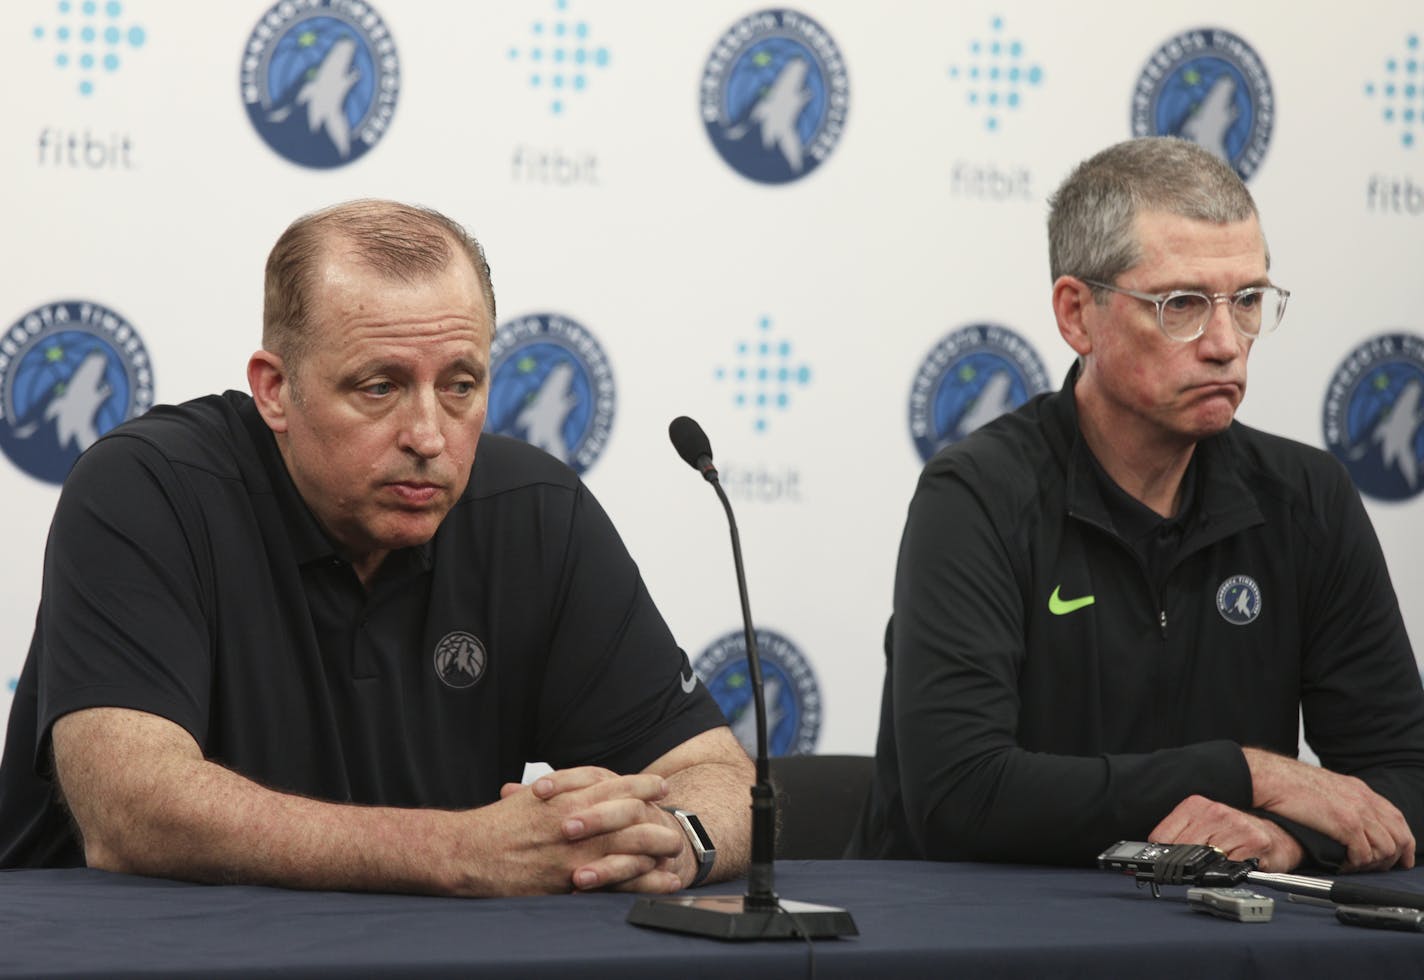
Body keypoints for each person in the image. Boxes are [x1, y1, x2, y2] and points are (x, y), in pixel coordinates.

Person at [0, 200, 753, 897]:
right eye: (379, 387)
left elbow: (713, 771)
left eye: (460, 385)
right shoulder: (147, 489)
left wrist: (673, 840)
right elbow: (133, 809)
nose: (429, 435)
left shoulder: (536, 512)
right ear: (274, 391)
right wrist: (461, 852)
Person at [849, 137, 1424, 873]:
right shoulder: (977, 495)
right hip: (983, 936)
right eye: (1182, 304)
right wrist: (1252, 774)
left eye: (1247, 301)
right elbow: (963, 795)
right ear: (1077, 315)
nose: (1226, 344)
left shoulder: (1306, 499)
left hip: (1214, 941)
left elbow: (1403, 777)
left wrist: (1288, 838)